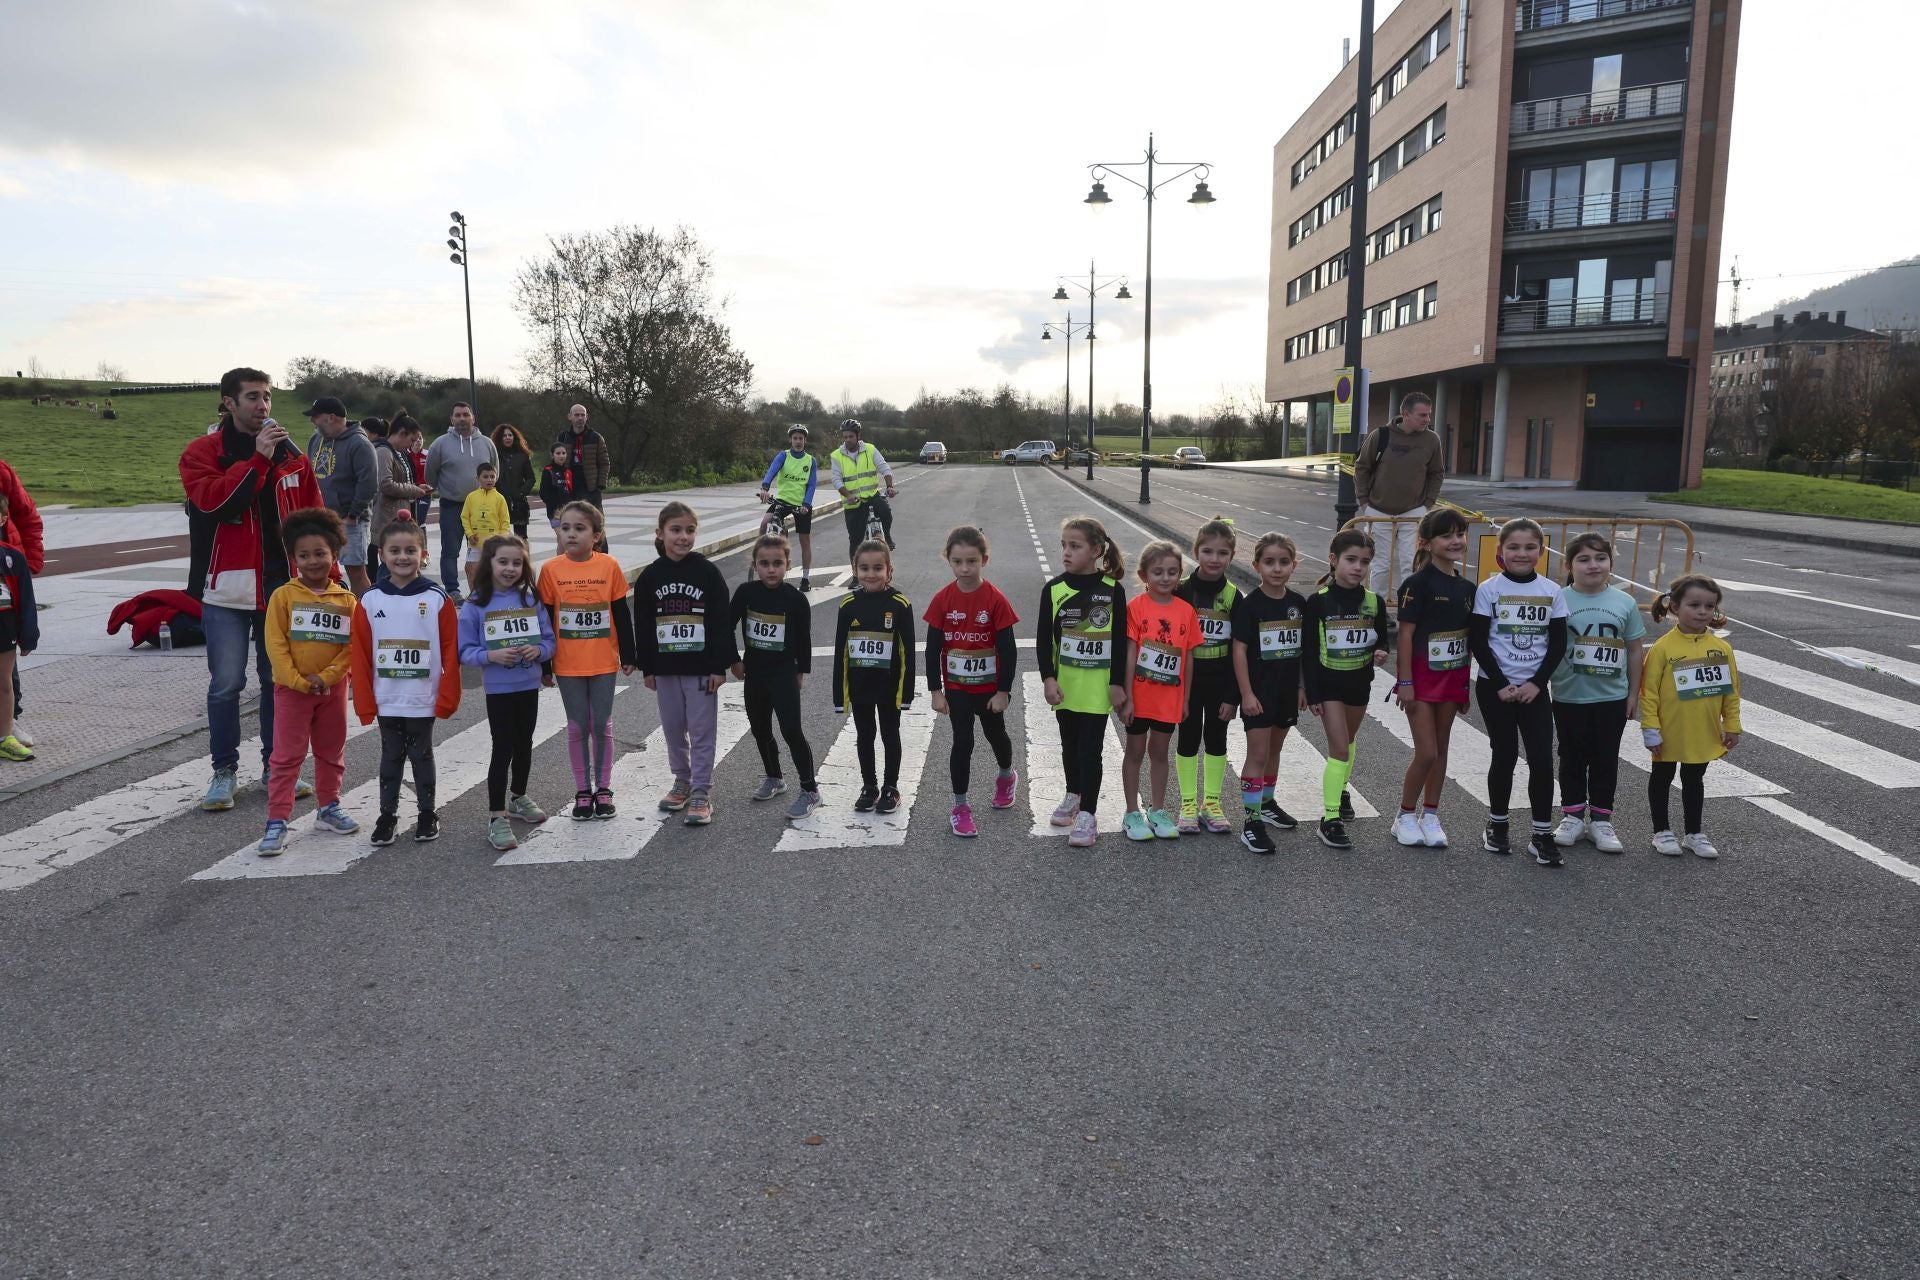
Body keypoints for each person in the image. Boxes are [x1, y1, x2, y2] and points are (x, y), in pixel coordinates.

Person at [180, 367, 327, 811]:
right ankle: (224, 771)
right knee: (226, 683)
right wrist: (259, 459)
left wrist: (326, 572)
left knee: (275, 679)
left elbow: (314, 515)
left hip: (280, 586)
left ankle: (275, 767)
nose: (262, 406)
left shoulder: (292, 455)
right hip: (225, 586)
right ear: (228, 402)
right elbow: (219, 504)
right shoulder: (202, 453)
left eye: (267, 397)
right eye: (252, 397)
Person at [351, 518, 462, 846]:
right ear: (381, 554)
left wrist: (447, 694)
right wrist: (364, 700)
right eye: (395, 551)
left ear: (423, 554)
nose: (403, 557)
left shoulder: (438, 598)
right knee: (391, 754)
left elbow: (450, 650)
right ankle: (388, 815)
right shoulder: (370, 601)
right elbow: (359, 654)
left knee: (422, 753)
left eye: (410, 550)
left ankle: (427, 813)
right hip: (387, 697)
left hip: (421, 696)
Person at [257, 508, 359, 854]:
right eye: (304, 555)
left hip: (332, 691)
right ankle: (276, 821)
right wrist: (300, 682)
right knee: (286, 757)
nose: (313, 561)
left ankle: (329, 807)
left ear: (334, 554)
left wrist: (328, 677)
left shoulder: (347, 601)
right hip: (291, 692)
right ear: (293, 558)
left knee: (331, 752)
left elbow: (350, 649)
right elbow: (276, 645)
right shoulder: (283, 597)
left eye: (320, 553)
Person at [1469, 518, 1569, 866]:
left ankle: (1542, 833)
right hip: (1495, 687)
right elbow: (1478, 640)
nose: (1521, 553)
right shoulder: (1489, 589)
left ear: (1541, 553)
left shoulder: (1551, 591)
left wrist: (1536, 683)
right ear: (1500, 553)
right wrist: (1500, 684)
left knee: (1542, 758)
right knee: (1505, 754)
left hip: (1534, 689)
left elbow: (1558, 643)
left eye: (1529, 547)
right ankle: (1497, 825)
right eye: (1513, 547)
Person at [633, 500, 736, 827]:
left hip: (701, 669)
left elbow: (722, 621)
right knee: (674, 728)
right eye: (675, 530)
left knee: (702, 730)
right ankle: (682, 780)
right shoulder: (651, 576)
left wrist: (720, 666)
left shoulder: (706, 571)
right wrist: (647, 666)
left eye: (689, 530)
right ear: (660, 534)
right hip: (665, 669)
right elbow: (644, 623)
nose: (683, 537)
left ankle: (702, 791)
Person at [538, 501, 637, 821]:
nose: (570, 534)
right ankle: (583, 790)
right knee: (578, 725)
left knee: (601, 724)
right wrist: (545, 664)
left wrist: (629, 654)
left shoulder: (608, 566)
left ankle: (604, 788)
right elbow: (546, 619)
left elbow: (621, 614)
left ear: (596, 536)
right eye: (565, 528)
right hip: (567, 664)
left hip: (603, 662)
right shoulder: (551, 570)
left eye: (579, 529)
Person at [458, 533, 557, 852]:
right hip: (498, 689)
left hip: (527, 685)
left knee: (525, 743)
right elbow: (464, 651)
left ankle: (519, 797)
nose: (510, 568)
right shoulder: (476, 603)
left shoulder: (530, 598)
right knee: (502, 748)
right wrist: (491, 656)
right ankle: (496, 816)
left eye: (517, 562)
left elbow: (549, 641)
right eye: (503, 561)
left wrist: (538, 651)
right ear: (489, 563)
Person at [1551, 532, 1647, 855]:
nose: (1593, 565)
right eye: (1584, 559)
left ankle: (1602, 820)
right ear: (1569, 565)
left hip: (1611, 697)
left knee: (1606, 757)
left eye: (1600, 559)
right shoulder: (1558, 599)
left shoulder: (1625, 603)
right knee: (1571, 755)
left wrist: (1633, 693)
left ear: (1610, 563)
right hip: (1569, 695)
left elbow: (1634, 650)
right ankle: (1573, 815)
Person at [1036, 516, 1128, 848]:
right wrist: (1048, 678)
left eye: (1074, 546)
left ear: (1096, 551)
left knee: (1091, 751)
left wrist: (1118, 684)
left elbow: (1120, 641)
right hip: (1066, 685)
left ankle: (1088, 813)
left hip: (1097, 689)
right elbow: (1044, 640)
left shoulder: (1112, 591)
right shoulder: (1054, 589)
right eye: (1064, 545)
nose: (1066, 552)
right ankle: (1073, 794)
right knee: (1070, 748)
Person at [924, 525, 1018, 838]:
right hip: (957, 688)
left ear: (984, 561)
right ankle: (960, 807)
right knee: (963, 741)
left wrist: (1004, 691)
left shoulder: (995, 599)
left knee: (996, 735)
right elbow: (933, 648)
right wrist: (936, 692)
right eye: (958, 562)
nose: (965, 568)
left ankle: (1006, 775)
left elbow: (1008, 648)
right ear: (948, 560)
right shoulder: (942, 600)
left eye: (972, 562)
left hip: (989, 689)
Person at [1390, 508, 1475, 850]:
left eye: (1460, 534)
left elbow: (1467, 640)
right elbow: (1406, 636)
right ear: (1427, 543)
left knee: (1441, 750)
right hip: (1422, 679)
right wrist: (1405, 682)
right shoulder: (1417, 585)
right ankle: (1404, 815)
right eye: (1447, 535)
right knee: (1426, 752)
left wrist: (1465, 684)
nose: (1456, 541)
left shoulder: (1469, 587)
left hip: (1453, 678)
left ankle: (1431, 814)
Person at [1302, 530, 1391, 850]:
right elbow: (1309, 651)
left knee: (1348, 743)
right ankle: (1330, 819)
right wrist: (1311, 693)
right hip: (1329, 686)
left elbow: (1381, 638)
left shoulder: (1373, 602)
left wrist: (1381, 651)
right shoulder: (1319, 601)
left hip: (1359, 684)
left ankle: (1340, 788)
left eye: (1364, 562)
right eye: (1351, 560)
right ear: (1333, 560)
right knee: (1339, 748)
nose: (1358, 568)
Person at [1641, 575, 1741, 859]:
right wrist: (1650, 727)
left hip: (1703, 730)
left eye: (1709, 606)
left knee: (1694, 779)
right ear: (1674, 607)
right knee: (1662, 777)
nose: (1702, 612)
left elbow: (1730, 691)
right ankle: (1661, 831)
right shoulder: (1663, 648)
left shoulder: (1722, 648)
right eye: (1694, 605)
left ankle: (1694, 833)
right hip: (1669, 729)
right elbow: (1649, 692)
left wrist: (1731, 725)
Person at [730, 532, 819, 820]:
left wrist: (801, 671)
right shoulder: (746, 593)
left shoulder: (795, 599)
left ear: (788, 565)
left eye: (777, 563)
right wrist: (734, 660)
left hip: (783, 673)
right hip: (754, 673)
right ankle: (774, 777)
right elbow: (724, 626)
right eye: (765, 563)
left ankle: (810, 789)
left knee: (791, 730)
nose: (771, 569)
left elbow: (804, 639)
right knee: (760, 729)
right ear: (755, 564)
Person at [1230, 532, 1309, 856]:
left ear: (1293, 565)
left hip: (1287, 691)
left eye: (1284, 562)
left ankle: (1267, 802)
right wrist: (1246, 694)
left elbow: (1304, 649)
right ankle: (1251, 823)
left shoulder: (1298, 604)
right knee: (1258, 755)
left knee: (1275, 751)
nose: (1277, 568)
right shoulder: (1251, 606)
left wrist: (1303, 687)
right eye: (1269, 562)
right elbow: (1238, 652)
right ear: (1257, 566)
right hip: (1259, 693)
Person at [1119, 540, 1202, 842]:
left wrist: (1186, 698)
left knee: (1159, 753)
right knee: (1135, 752)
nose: (1165, 578)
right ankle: (1131, 812)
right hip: (1140, 698)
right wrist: (1126, 696)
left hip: (1169, 698)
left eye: (1172, 572)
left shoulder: (1186, 611)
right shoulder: (1135, 608)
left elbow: (1188, 657)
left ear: (1180, 574)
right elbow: (1130, 654)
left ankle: (1157, 810)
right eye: (1158, 572)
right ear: (1143, 575)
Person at [833, 539, 916, 815]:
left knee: (890, 735)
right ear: (855, 570)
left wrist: (905, 695)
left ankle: (891, 788)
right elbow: (840, 653)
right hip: (860, 689)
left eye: (878, 568)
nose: (871, 574)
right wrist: (839, 695)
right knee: (864, 735)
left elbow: (907, 654)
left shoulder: (900, 604)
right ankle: (869, 786)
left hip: (889, 688)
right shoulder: (847, 605)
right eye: (865, 568)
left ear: (889, 570)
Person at [1174, 518, 1240, 834]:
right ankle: (1187, 804)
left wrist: (1233, 695)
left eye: (1222, 553)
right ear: (1196, 551)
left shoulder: (1233, 596)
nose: (1214, 559)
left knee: (1216, 739)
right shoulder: (1181, 591)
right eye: (1208, 551)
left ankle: (1211, 802)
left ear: (1232, 556)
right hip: (1187, 682)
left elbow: (1240, 651)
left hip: (1220, 681)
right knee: (1187, 739)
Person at [1352, 391, 1445, 599]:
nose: (1428, 420)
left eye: (1429, 415)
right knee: (1380, 563)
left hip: (1413, 512)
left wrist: (1427, 504)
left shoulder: (1431, 440)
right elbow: (1362, 467)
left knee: (1411, 562)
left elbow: (1437, 473)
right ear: (1406, 414)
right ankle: (1379, 608)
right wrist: (1364, 502)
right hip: (1378, 510)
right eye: (1423, 415)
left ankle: (1408, 607)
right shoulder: (1381, 435)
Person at [303, 396, 377, 595]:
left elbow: (368, 483)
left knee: (356, 571)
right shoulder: (316, 439)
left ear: (331, 417)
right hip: (320, 519)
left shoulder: (359, 444)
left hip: (350, 521)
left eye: (316, 417)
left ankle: (363, 616)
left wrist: (352, 515)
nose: (312, 421)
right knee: (320, 569)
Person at [424, 401, 498, 601]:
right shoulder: (440, 444)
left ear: (473, 418)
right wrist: (446, 489)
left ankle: (483, 588)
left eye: (466, 414)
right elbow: (430, 474)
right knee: (450, 550)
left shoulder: (486, 443)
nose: (462, 419)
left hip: (481, 506)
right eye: (458, 415)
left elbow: (494, 471)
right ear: (452, 419)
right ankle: (452, 590)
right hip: (452, 505)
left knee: (483, 549)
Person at [0, 458, 44, 748]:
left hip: (6, 563)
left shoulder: (2, 471)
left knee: (5, 664)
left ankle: (9, 722)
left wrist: (31, 561)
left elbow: (27, 514)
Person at [369, 414, 431, 586]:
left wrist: (418, 486)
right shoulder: (383, 452)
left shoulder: (398, 453)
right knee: (388, 568)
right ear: (402, 433)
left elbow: (403, 481)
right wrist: (413, 490)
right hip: (386, 517)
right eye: (411, 440)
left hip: (398, 514)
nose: (412, 445)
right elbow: (385, 484)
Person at [757, 425, 820, 592]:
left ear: (805, 440)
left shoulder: (810, 461)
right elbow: (771, 471)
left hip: (801, 505)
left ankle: (805, 578)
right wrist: (765, 487)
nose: (798, 441)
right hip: (782, 500)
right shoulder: (783, 456)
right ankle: (759, 557)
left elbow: (812, 484)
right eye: (795, 438)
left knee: (804, 540)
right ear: (791, 440)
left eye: (801, 438)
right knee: (765, 523)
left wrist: (806, 504)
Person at [830, 419, 896, 557]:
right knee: (855, 541)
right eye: (845, 437)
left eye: (851, 436)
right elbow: (836, 479)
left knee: (886, 512)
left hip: (872, 496)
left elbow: (884, 468)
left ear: (858, 436)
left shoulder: (870, 449)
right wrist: (848, 495)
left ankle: (887, 537)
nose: (848, 440)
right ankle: (855, 575)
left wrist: (889, 486)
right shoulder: (836, 455)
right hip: (853, 502)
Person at [460, 462, 512, 593]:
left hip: (493, 544)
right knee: (470, 569)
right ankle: (474, 596)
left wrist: (502, 539)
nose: (489, 480)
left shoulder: (500, 498)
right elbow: (465, 517)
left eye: (492, 477)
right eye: (485, 477)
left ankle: (494, 596)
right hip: (475, 543)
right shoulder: (471, 497)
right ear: (477, 478)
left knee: (493, 572)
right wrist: (470, 534)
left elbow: (505, 521)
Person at [556, 403, 612, 513]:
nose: (580, 418)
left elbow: (604, 463)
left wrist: (600, 485)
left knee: (595, 521)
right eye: (576, 415)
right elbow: (556, 463)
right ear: (569, 417)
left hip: (590, 487)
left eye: (583, 415)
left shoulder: (596, 438)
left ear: (587, 417)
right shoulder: (563, 438)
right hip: (569, 486)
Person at [489, 424, 536, 541]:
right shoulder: (494, 456)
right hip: (499, 500)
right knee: (499, 537)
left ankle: (523, 558)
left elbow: (531, 478)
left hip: (519, 502)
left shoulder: (523, 456)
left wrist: (521, 493)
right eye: (504, 435)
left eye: (510, 435)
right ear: (500, 438)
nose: (507, 437)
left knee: (521, 538)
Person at [539, 442, 579, 558]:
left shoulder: (568, 471)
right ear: (552, 455)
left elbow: (571, 491)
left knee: (562, 539)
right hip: (555, 512)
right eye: (558, 453)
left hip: (568, 511)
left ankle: (560, 561)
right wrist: (553, 505)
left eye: (563, 453)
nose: (561, 456)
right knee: (563, 536)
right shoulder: (548, 470)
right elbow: (543, 492)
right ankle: (561, 562)